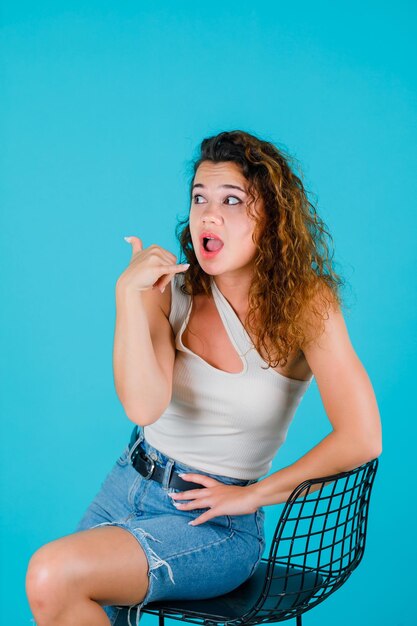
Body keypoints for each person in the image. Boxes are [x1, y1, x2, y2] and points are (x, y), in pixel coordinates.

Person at [25, 130, 382, 626]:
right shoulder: (169, 290)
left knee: (52, 573)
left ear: (272, 220)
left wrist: (251, 496)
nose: (208, 215)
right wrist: (129, 298)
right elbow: (143, 407)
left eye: (232, 200)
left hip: (215, 525)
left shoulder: (306, 305)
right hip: (129, 484)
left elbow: (362, 438)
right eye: (199, 199)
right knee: (57, 597)